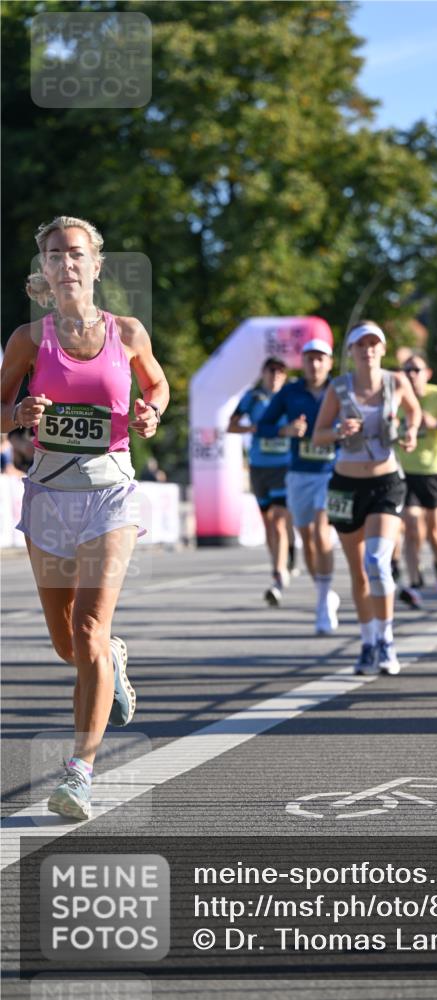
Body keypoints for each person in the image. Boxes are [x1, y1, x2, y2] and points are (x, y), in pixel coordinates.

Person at [0, 215, 168, 820]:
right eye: (54, 254)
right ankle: (112, 660)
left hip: (110, 496)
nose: (65, 263)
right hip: (46, 496)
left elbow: (158, 386)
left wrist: (151, 413)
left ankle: (80, 772)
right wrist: (19, 414)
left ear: (96, 265)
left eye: (76, 253)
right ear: (42, 270)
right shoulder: (27, 339)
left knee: (90, 631)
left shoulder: (126, 332)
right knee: (67, 640)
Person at [312, 320, 421, 675]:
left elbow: (414, 412)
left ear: (383, 349)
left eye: (374, 344)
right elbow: (318, 437)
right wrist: (340, 430)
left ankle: (387, 640)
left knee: (376, 561)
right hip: (346, 486)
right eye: (361, 344)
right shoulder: (338, 388)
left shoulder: (396, 381)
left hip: (386, 482)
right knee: (359, 571)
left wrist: (411, 433)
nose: (368, 350)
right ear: (352, 351)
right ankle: (367, 641)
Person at [257, 338, 339, 634]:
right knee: (306, 537)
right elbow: (263, 425)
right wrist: (286, 430)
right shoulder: (290, 392)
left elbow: (360, 422)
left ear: (330, 363)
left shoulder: (340, 390)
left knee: (321, 529)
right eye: (310, 359)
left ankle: (322, 603)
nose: (315, 364)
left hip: (331, 472)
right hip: (299, 474)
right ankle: (323, 591)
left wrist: (342, 432)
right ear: (302, 363)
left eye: (321, 359)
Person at [227, 357, 291, 605]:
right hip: (259, 466)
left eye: (280, 372)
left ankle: (278, 573)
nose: (275, 375)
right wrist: (252, 429)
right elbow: (231, 426)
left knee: (278, 520)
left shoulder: (289, 397)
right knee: (268, 523)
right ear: (263, 373)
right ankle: (280, 561)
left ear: (285, 376)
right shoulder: (252, 398)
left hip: (283, 466)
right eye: (271, 371)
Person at [395, 352, 437, 609]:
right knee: (412, 525)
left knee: (434, 532)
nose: (411, 375)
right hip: (405, 471)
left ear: (427, 373)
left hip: (433, 470)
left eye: (416, 370)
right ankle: (415, 581)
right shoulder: (396, 396)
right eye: (407, 370)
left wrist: (436, 422)